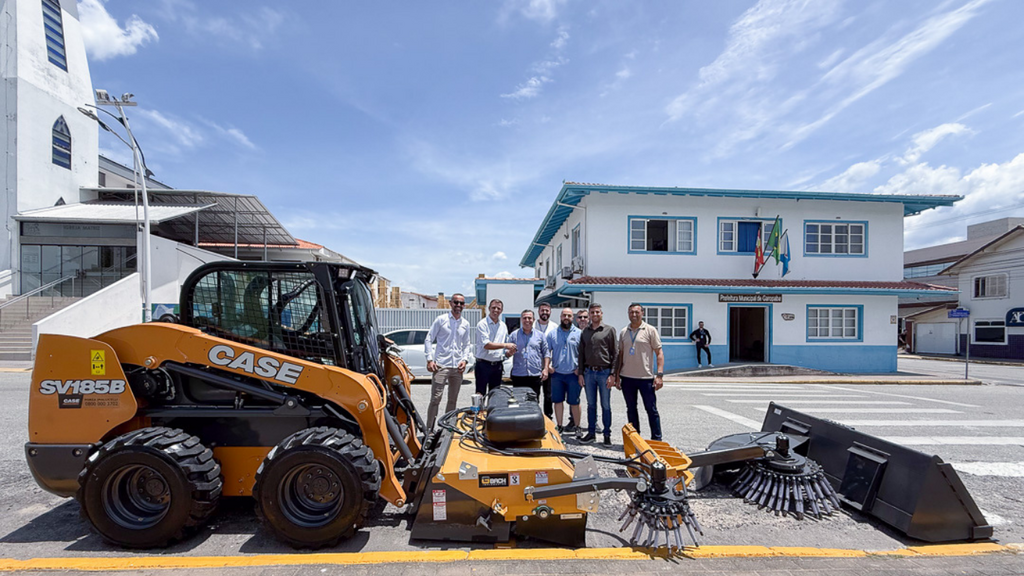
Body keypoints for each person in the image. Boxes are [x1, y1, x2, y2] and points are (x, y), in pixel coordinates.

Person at [614, 303, 664, 441]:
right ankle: (635, 439)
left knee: (651, 409)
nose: (634, 315)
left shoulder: (650, 330)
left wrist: (659, 375)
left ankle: (656, 439)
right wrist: (617, 376)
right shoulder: (624, 331)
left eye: (637, 312)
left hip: (646, 378)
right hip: (627, 378)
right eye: (631, 312)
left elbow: (659, 352)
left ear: (642, 313)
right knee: (631, 409)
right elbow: (621, 355)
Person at [424, 293, 472, 431]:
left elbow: (467, 344)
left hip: (457, 368)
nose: (458, 305)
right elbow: (429, 339)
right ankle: (429, 430)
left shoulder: (465, 324)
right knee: (435, 399)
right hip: (441, 366)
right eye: (456, 302)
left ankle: (446, 429)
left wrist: (464, 359)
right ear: (450, 303)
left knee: (452, 400)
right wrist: (429, 359)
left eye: (461, 303)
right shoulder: (441, 320)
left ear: (464, 306)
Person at [576, 303, 617, 445]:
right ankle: (591, 433)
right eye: (592, 312)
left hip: (604, 373)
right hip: (589, 373)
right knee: (591, 405)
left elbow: (615, 354)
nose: (594, 315)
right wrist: (581, 373)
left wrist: (613, 375)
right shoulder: (585, 332)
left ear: (601, 313)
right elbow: (581, 354)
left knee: (606, 405)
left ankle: (607, 435)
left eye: (597, 312)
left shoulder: (609, 330)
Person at [545, 307, 582, 434]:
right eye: (564, 315)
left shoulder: (579, 333)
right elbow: (546, 352)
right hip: (557, 374)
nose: (566, 318)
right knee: (557, 401)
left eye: (569, 316)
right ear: (560, 317)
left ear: (572, 318)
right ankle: (559, 426)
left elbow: (583, 354)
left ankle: (577, 427)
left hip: (573, 374)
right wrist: (548, 366)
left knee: (575, 402)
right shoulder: (552, 334)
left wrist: (580, 368)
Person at [475, 299, 514, 395]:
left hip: (497, 366)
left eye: (498, 308)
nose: (496, 310)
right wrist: (506, 345)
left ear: (501, 310)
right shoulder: (482, 324)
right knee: (480, 394)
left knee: (495, 394)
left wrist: (508, 353)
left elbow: (503, 349)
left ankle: (492, 411)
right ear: (489, 309)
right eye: (493, 308)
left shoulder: (503, 326)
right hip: (483, 365)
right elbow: (487, 345)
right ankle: (479, 411)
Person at [507, 310, 548, 399]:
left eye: (529, 318)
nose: (527, 320)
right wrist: (509, 353)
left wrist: (545, 369)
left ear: (533, 319)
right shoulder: (514, 335)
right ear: (521, 319)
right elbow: (506, 353)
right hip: (518, 375)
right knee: (518, 402)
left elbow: (546, 353)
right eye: (524, 318)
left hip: (535, 374)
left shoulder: (540, 335)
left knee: (534, 402)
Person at [535, 302, 556, 418]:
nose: (544, 313)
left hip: (549, 368)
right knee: (535, 394)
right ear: (538, 311)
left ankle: (548, 417)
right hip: (535, 367)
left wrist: (550, 366)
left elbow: (556, 349)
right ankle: (535, 417)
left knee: (549, 395)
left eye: (547, 311)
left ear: (550, 312)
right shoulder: (532, 325)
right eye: (542, 310)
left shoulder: (555, 327)